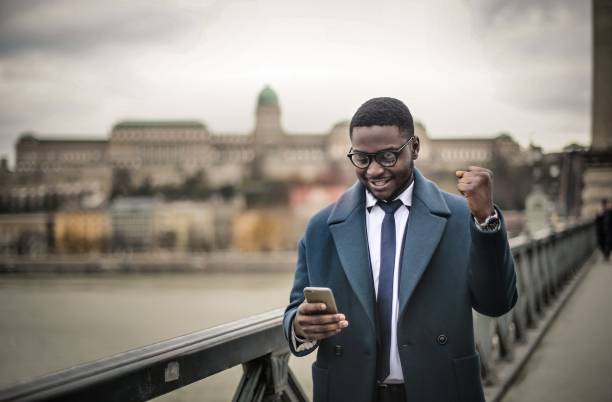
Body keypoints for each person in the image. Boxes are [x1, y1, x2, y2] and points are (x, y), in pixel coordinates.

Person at [283, 97, 518, 402]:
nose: (375, 170)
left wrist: (486, 220)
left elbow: (497, 303)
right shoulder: (321, 227)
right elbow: (294, 312)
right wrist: (300, 325)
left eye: (388, 156)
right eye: (362, 158)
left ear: (415, 148)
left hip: (441, 391)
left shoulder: (463, 217)